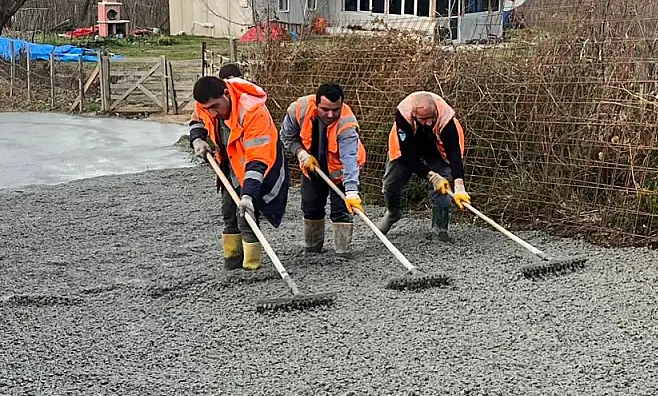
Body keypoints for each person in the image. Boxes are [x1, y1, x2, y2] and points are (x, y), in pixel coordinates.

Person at [188, 72, 289, 272]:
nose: (213, 113)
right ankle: (232, 262)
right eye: (209, 109)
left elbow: (258, 159)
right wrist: (197, 139)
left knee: (246, 215)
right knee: (228, 212)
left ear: (226, 94)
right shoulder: (206, 104)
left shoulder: (253, 112)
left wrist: (248, 195)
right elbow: (197, 119)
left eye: (216, 107)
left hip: (257, 165)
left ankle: (251, 267)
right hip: (229, 165)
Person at [280, 82, 367, 256]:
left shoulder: (346, 124)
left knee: (341, 210)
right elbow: (286, 136)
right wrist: (301, 153)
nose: (330, 114)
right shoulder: (299, 110)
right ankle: (312, 248)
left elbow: (349, 158)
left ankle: (343, 252)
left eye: (335, 109)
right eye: (325, 109)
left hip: (340, 171)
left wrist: (351, 192)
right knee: (311, 206)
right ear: (316, 103)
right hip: (312, 167)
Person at [374, 90, 470, 241]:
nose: (429, 122)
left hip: (437, 146)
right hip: (408, 147)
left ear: (436, 112)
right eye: (423, 119)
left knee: (444, 181)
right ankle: (392, 213)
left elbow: (454, 153)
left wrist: (459, 186)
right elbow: (408, 157)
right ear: (414, 115)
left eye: (431, 118)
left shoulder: (446, 118)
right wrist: (431, 176)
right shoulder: (403, 115)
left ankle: (440, 229)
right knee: (391, 182)